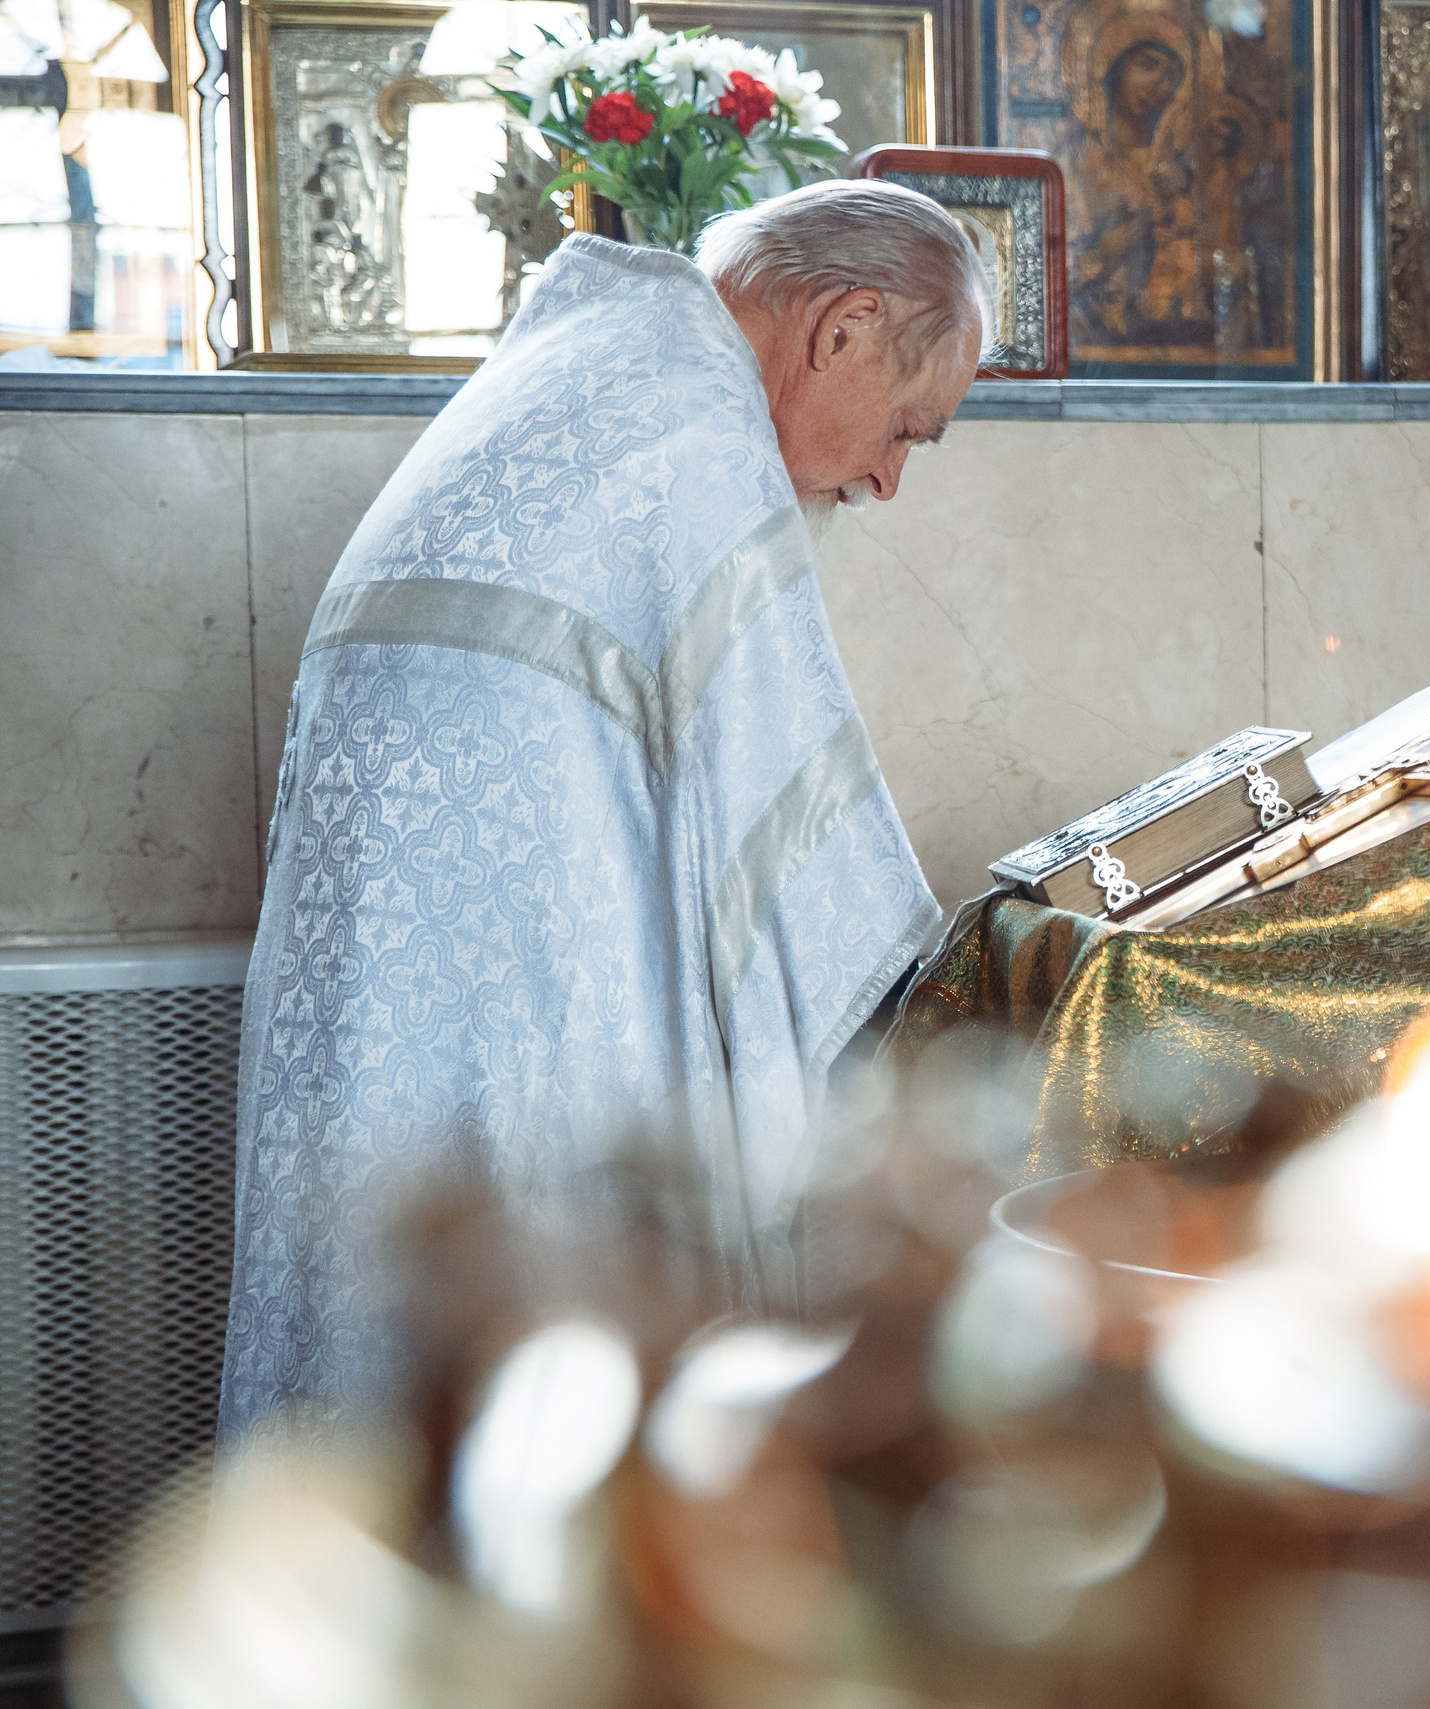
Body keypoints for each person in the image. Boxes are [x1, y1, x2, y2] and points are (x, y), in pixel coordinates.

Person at [219, 180, 986, 1435]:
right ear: (841, 327)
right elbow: (813, 858)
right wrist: (948, 992)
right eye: (910, 427)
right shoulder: (697, 429)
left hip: (370, 964)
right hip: (510, 949)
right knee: (548, 1314)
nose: (887, 478)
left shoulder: (601, 360)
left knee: (388, 1315)